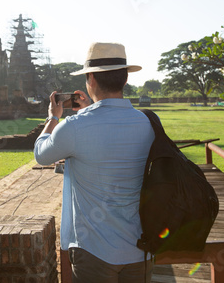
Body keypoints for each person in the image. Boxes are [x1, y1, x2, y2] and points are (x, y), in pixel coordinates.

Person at [34, 42, 155, 283]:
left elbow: (41, 153)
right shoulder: (149, 122)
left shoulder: (74, 127)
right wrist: (91, 109)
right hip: (141, 247)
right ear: (125, 79)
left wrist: (52, 118)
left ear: (90, 78)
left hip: (94, 249)